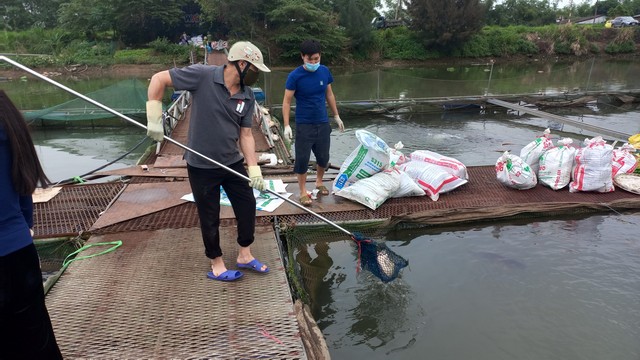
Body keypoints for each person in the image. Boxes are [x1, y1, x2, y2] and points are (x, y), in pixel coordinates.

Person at [146, 41, 271, 282]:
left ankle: (245, 254)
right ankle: (216, 262)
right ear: (242, 64)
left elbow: (246, 135)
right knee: (209, 215)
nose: (257, 74)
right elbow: (158, 79)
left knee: (247, 205)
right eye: (255, 68)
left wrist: (254, 168)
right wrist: (154, 116)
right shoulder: (202, 76)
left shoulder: (247, 96)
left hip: (231, 162)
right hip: (201, 165)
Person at [0, 90, 63, 358]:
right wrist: (25, 228)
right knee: (37, 340)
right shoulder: (8, 116)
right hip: (20, 252)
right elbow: (23, 185)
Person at [282, 39, 345, 206]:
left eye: (316, 59)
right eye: (310, 59)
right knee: (302, 159)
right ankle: (303, 191)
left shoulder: (324, 71)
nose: (314, 62)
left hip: (323, 122)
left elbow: (329, 95)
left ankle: (319, 181)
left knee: (323, 157)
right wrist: (287, 125)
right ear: (302, 57)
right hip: (304, 123)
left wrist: (336, 116)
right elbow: (287, 101)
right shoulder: (295, 76)